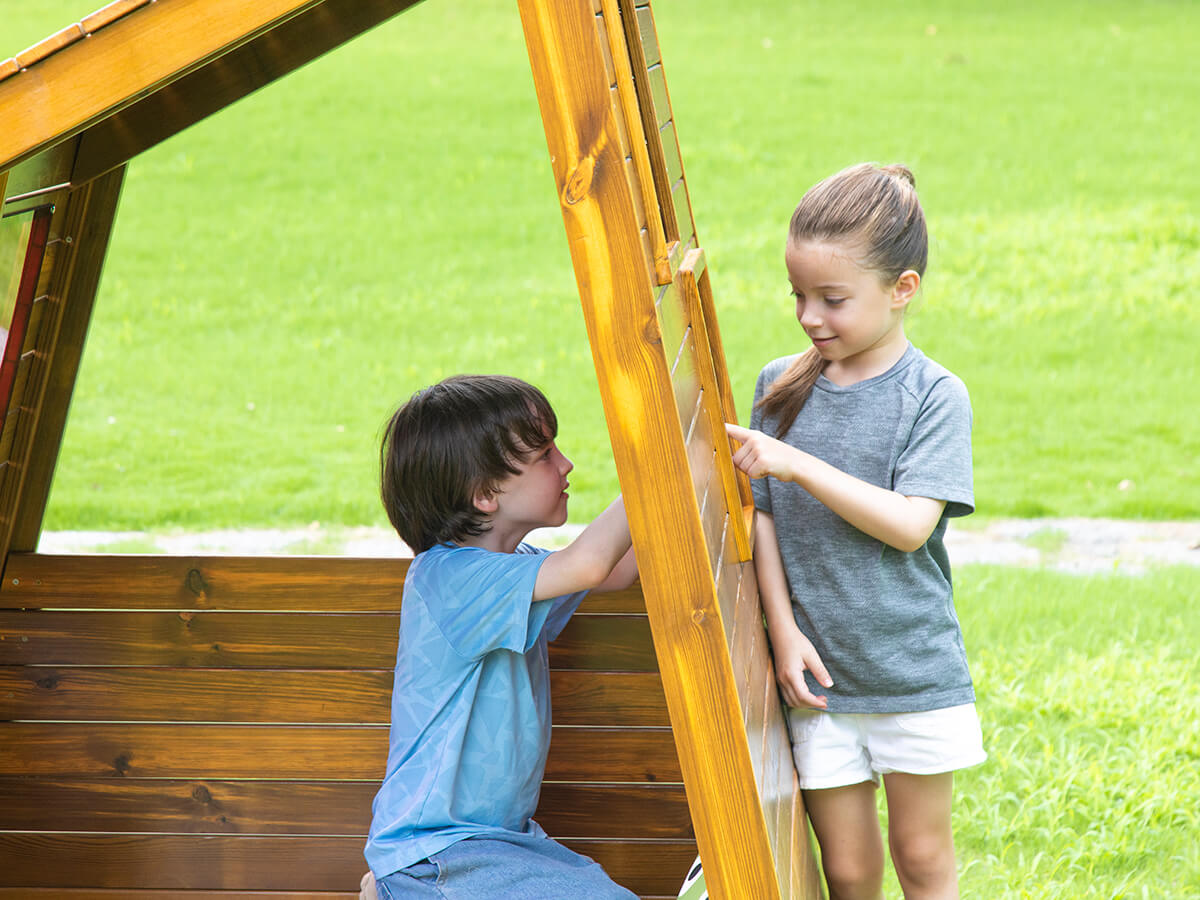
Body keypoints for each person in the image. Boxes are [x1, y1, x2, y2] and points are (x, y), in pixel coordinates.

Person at [723, 163, 986, 900]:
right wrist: (783, 633)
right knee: (847, 869)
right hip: (819, 677)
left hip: (911, 673)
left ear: (903, 288)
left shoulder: (934, 396)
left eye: (832, 299)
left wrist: (800, 465)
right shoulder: (781, 383)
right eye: (798, 295)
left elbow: (909, 527)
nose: (809, 316)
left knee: (922, 859)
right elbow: (762, 519)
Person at [363, 374, 639, 899]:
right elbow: (589, 564)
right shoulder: (450, 580)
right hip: (439, 849)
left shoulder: (513, 568)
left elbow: (617, 570)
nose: (566, 464)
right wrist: (659, 468)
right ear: (486, 494)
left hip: (497, 843)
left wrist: (695, 487)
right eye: (545, 454)